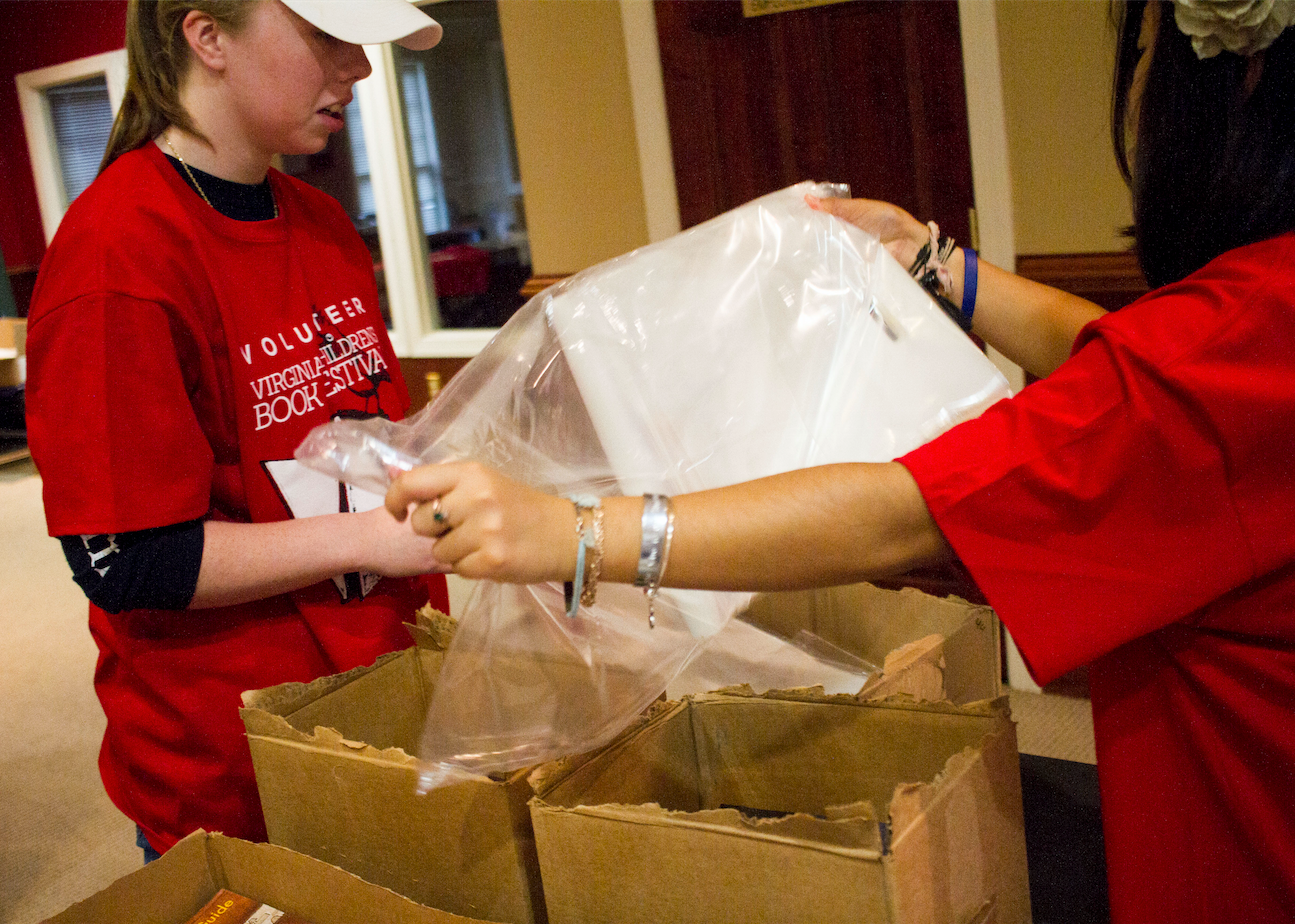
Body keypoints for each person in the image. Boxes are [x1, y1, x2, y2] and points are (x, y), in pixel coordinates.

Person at [385, 1, 1295, 920]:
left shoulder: (1253, 327)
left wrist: (578, 531)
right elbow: (1146, 359)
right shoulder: (1248, 322)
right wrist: (934, 262)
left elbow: (906, 506)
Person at [25, 0, 448, 860]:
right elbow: (126, 558)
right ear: (207, 36)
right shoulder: (119, 253)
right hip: (240, 763)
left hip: (390, 707)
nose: (359, 69)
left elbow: (357, 437)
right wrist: (366, 536)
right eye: (328, 37)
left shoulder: (322, 222)